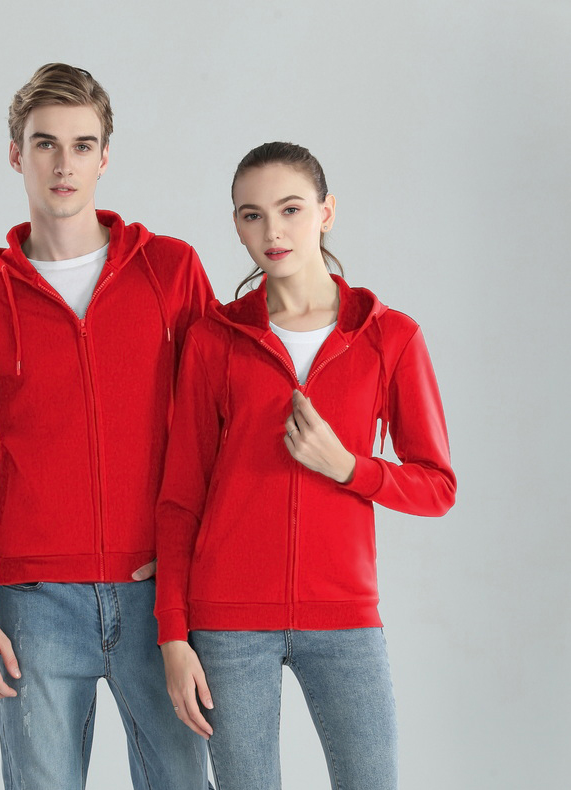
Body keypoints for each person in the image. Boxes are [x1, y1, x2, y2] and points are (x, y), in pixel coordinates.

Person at [0, 63, 213, 789]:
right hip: (36, 605)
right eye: (45, 143)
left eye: (83, 145)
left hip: (159, 597)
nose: (64, 163)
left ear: (105, 156)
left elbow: (222, 421)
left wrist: (193, 560)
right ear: (15, 154)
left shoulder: (171, 271)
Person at [154, 141, 457, 790]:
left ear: (326, 212)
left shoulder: (389, 336)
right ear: (237, 226)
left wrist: (349, 467)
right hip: (228, 621)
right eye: (252, 215)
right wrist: (173, 634)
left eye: (290, 208)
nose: (273, 230)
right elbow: (180, 498)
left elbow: (437, 486)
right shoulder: (214, 340)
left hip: (344, 615)